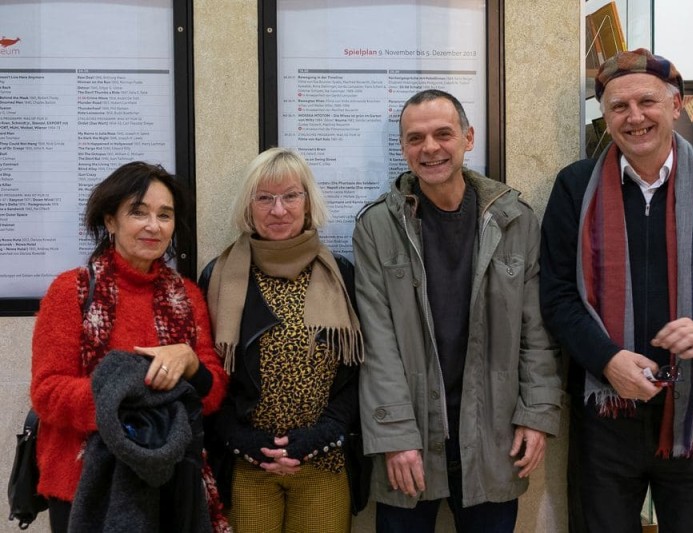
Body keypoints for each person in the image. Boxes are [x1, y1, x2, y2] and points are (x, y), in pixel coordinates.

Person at [539, 49, 693, 533]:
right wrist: (607, 359)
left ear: (676, 105)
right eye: (618, 107)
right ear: (605, 117)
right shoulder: (575, 186)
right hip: (604, 411)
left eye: (647, 102)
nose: (634, 118)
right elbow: (557, 293)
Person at [353, 89, 562, 533]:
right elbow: (378, 341)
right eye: (415, 138)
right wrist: (395, 438)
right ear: (404, 148)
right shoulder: (377, 227)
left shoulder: (514, 219)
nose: (429, 148)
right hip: (410, 438)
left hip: (493, 433)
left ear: (468, 138)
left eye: (442, 134)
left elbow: (535, 329)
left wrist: (536, 412)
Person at [30, 162, 229, 533]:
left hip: (170, 481)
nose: (153, 225)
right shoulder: (70, 291)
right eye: (138, 212)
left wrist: (188, 363)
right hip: (85, 486)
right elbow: (48, 392)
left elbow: (213, 390)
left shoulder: (187, 297)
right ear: (110, 221)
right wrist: (134, 394)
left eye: (164, 215)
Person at [201, 147, 366, 533]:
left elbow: (361, 369)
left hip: (322, 461)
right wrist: (243, 440)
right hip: (246, 463)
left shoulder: (341, 275)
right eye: (265, 198)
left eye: (291, 195)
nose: (278, 210)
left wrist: (319, 436)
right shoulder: (218, 277)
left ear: (308, 203)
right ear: (249, 206)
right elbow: (206, 372)